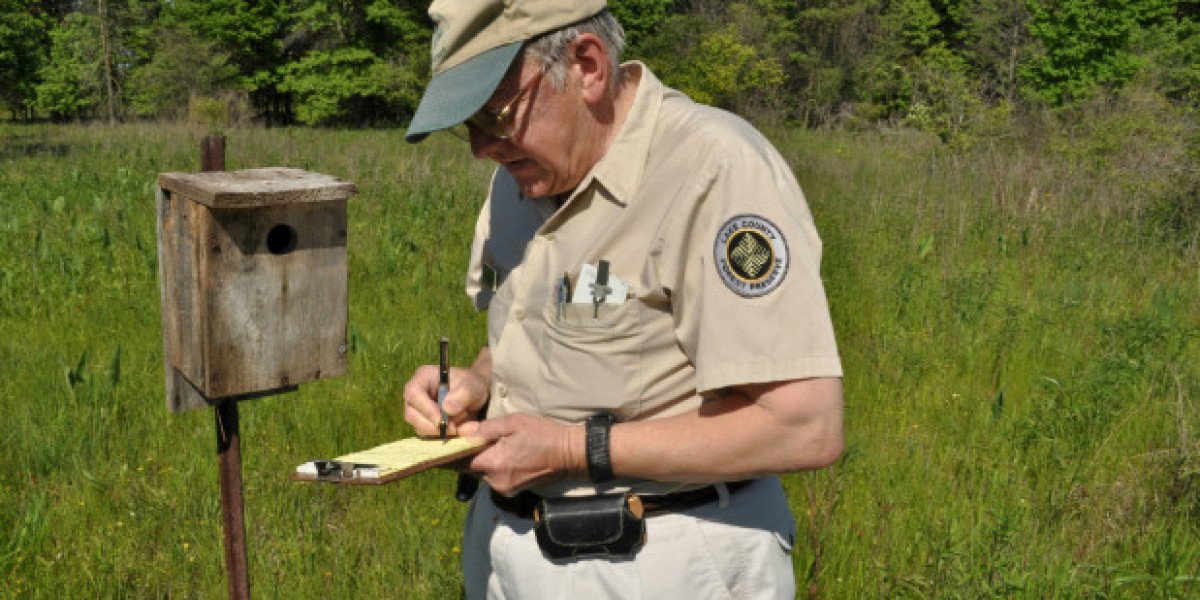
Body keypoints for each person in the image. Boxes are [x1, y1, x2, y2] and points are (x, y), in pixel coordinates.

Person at [401, 1, 844, 597]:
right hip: (504, 556)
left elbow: (804, 426)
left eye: (495, 115)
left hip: (663, 558)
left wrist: (567, 450)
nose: (482, 147)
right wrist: (477, 387)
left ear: (587, 65)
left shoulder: (713, 169)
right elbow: (535, 333)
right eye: (468, 125)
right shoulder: (522, 174)